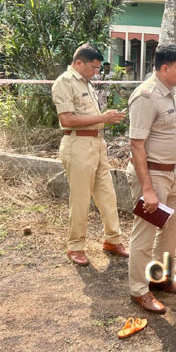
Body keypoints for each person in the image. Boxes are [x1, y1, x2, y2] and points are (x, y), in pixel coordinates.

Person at [51, 44, 128, 266]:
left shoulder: (85, 83)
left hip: (96, 143)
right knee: (81, 198)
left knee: (107, 194)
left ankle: (112, 240)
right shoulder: (65, 82)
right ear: (79, 63)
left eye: (97, 68)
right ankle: (75, 246)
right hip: (78, 145)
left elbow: (90, 116)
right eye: (93, 67)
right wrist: (103, 118)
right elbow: (66, 119)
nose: (96, 72)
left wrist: (106, 119)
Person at [126, 44, 176, 313]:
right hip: (152, 175)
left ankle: (159, 277)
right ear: (165, 68)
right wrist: (148, 189)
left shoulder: (169, 92)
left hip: (170, 173)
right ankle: (139, 290)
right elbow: (136, 144)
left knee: (171, 230)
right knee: (145, 234)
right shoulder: (147, 96)